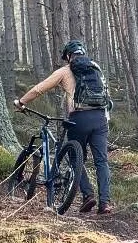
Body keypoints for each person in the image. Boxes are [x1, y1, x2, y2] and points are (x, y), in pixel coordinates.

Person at [16, 39, 112, 213]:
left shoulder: (65, 71)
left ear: (68, 56)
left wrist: (21, 102)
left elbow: (40, 89)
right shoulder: (95, 67)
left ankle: (88, 195)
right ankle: (105, 203)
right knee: (101, 161)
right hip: (100, 118)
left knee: (76, 157)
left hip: (79, 118)